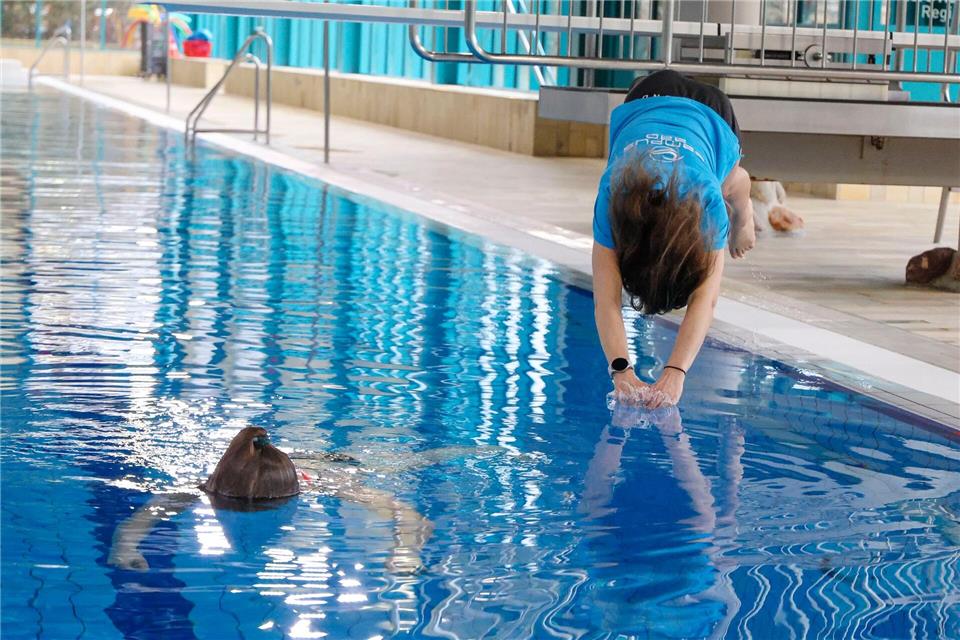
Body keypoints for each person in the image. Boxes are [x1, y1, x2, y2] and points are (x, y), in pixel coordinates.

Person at [108, 426, 494, 575]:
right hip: (279, 467)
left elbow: (406, 514)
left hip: (333, 464)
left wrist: (407, 550)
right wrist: (125, 543)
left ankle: (475, 448)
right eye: (239, 507)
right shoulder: (209, 484)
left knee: (409, 464)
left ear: (292, 497)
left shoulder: (322, 485)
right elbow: (156, 509)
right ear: (218, 489)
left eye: (261, 508)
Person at [592, 70, 756, 408]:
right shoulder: (614, 193)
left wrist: (676, 372)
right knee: (713, 175)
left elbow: (704, 300)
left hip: (709, 113)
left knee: (733, 181)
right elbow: (606, 301)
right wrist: (621, 370)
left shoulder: (708, 202)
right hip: (647, 95)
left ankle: (745, 212)